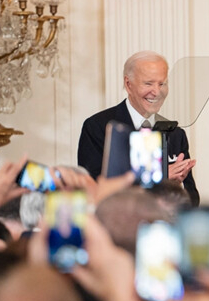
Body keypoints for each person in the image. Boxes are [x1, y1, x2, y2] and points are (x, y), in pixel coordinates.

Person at [77, 51, 199, 205]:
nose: (157, 92)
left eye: (162, 84)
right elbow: (92, 192)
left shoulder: (175, 133)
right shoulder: (99, 127)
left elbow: (193, 200)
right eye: (148, 83)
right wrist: (161, 178)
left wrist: (176, 185)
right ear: (128, 84)